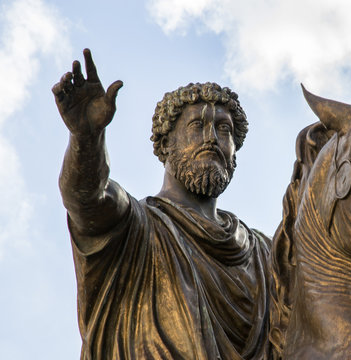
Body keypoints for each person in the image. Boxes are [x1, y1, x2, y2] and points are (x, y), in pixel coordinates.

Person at [52, 49, 272, 360]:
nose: (211, 138)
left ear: (235, 152)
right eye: (197, 126)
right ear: (166, 143)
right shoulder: (134, 226)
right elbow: (86, 198)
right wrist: (87, 138)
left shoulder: (265, 254)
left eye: (224, 130)